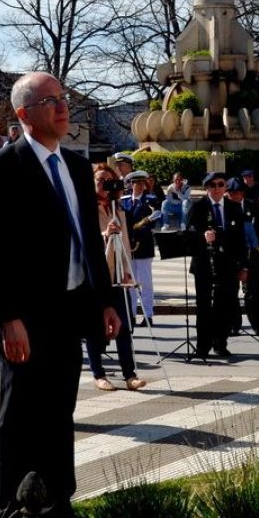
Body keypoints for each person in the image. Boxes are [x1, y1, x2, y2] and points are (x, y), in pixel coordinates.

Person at [0, 71, 119, 518]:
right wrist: (6, 317)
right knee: (20, 416)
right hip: (26, 316)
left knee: (60, 410)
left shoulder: (76, 166)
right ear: (24, 115)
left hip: (71, 308)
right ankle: (16, 511)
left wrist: (105, 300)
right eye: (50, 100)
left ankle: (58, 503)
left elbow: (90, 243)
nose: (62, 107)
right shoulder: (1, 167)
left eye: (63, 98)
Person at [88, 163, 146, 391]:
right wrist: (104, 235)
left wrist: (127, 269)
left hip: (117, 274)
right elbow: (87, 241)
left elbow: (123, 241)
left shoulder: (118, 208)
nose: (104, 185)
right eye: (100, 180)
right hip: (96, 275)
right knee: (95, 327)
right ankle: (98, 374)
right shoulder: (86, 208)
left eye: (108, 180)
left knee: (124, 326)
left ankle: (129, 374)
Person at [186, 172, 248, 357]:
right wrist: (202, 237)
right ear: (207, 188)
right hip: (204, 263)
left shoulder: (234, 207)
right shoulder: (198, 207)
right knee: (204, 306)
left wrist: (244, 266)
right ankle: (203, 345)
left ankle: (220, 343)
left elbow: (241, 240)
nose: (216, 188)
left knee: (226, 305)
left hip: (227, 264)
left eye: (220, 184)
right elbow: (188, 234)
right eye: (212, 185)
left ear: (225, 187)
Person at [227, 177, 259, 336]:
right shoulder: (224, 209)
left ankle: (258, 325)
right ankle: (234, 324)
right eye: (232, 193)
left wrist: (255, 240)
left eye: (238, 193)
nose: (235, 196)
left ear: (243, 193)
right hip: (232, 254)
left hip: (251, 254)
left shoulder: (251, 206)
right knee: (231, 291)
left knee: (253, 292)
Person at [121, 170, 158, 328]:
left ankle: (148, 315)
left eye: (143, 183)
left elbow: (155, 219)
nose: (140, 186)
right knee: (130, 284)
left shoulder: (151, 200)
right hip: (128, 245)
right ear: (131, 184)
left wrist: (142, 226)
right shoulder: (124, 201)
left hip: (144, 245)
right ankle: (131, 315)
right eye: (137, 183)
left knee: (145, 283)